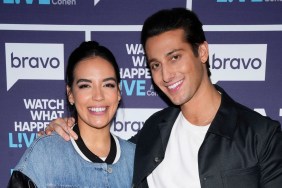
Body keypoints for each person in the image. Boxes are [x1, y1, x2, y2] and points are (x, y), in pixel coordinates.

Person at [42, 8, 282, 188]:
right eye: (155, 64)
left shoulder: (262, 136)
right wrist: (64, 130)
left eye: (175, 57)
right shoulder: (152, 132)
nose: (166, 75)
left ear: (202, 52)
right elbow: (101, 157)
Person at [8, 41, 135, 187]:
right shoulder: (45, 153)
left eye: (108, 85)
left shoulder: (137, 159)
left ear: (118, 92)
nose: (98, 96)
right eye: (85, 86)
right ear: (70, 94)